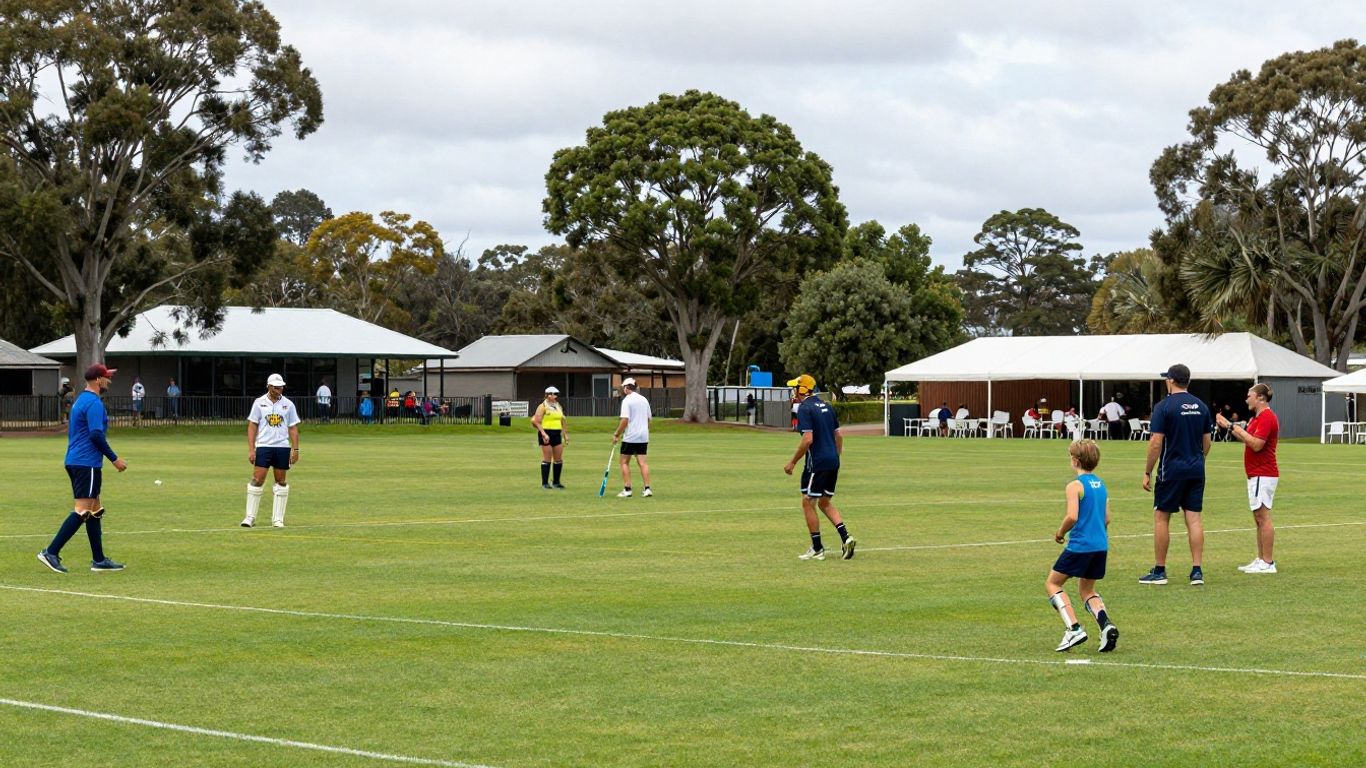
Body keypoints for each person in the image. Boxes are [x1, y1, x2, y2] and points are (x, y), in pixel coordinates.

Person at [37, 363, 128, 573]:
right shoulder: (94, 403)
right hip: (86, 463)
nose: (109, 381)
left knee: (95, 509)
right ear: (98, 380)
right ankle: (50, 552)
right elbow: (96, 434)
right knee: (83, 510)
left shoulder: (81, 400)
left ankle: (99, 560)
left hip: (77, 460)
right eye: (107, 377)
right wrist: (114, 459)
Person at [1140, 363, 1211, 586]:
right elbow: (1207, 441)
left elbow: (1156, 442)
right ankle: (1197, 570)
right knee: (1194, 518)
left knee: (1162, 517)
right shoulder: (1201, 406)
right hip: (1196, 469)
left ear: (1171, 380)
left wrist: (1147, 471)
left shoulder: (1164, 407)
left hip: (1171, 470)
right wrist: (1198, 459)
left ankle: (1160, 570)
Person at [1045, 439, 1118, 653]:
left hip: (1080, 546)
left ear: (1075, 460)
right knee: (1087, 589)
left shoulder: (1075, 486)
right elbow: (1107, 518)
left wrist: (1060, 533)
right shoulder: (1101, 485)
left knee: (1053, 583)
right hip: (1100, 546)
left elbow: (1072, 516)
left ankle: (1074, 628)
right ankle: (1106, 625)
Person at [783, 374, 855, 561]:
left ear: (802, 389)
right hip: (832, 461)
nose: (793, 391)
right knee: (824, 502)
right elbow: (839, 436)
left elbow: (807, 439)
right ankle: (846, 538)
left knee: (808, 502)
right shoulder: (827, 406)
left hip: (817, 463)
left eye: (795, 388)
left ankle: (817, 548)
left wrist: (792, 462)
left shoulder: (805, 408)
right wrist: (835, 456)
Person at [1219, 384, 1280, 574]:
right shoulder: (1256, 418)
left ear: (1260, 398)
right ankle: (1261, 559)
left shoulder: (1267, 417)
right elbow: (1247, 439)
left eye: (1249, 395)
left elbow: (1256, 444)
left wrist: (1231, 426)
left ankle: (1268, 562)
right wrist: (1231, 427)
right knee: (1258, 518)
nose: (1247, 399)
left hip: (1264, 472)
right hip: (1256, 473)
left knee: (1263, 517)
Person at [241, 373, 300, 528]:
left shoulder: (288, 404)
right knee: (257, 480)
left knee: (281, 481)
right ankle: (250, 517)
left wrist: (295, 449)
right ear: (269, 386)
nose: (279, 389)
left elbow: (293, 427)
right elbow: (252, 425)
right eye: (276, 387)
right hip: (264, 446)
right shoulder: (259, 403)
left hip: (282, 447)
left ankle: (278, 519)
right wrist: (251, 449)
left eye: (281, 387)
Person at [613, 378, 653, 497]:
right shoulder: (644, 400)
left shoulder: (627, 401)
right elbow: (649, 420)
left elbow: (624, 420)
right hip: (643, 436)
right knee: (642, 462)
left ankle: (627, 489)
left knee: (624, 462)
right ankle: (647, 488)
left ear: (626, 388)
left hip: (631, 436)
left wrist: (616, 434)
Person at [532, 386, 568, 489]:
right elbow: (536, 421)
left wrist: (565, 434)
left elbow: (562, 420)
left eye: (556, 394)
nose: (555, 396)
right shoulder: (542, 406)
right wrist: (543, 433)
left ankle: (556, 482)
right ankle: (545, 483)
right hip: (546, 433)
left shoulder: (558, 406)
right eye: (553, 394)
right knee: (547, 458)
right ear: (548, 395)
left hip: (556, 433)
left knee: (558, 459)